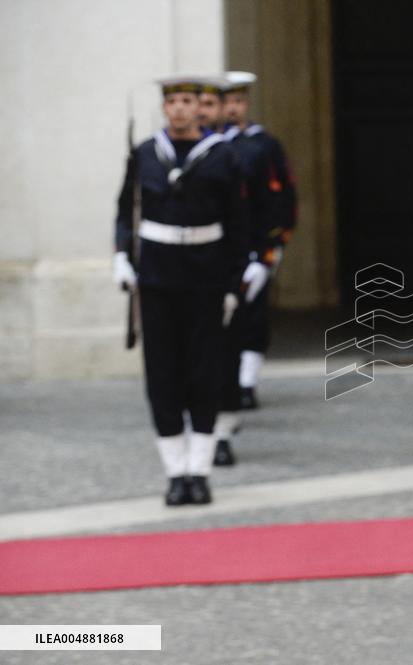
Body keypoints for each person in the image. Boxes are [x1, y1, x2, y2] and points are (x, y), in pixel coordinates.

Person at [113, 75, 250, 505]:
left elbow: (238, 225)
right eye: (172, 101)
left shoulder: (222, 156)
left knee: (204, 372)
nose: (179, 109)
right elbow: (124, 211)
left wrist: (233, 283)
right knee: (163, 374)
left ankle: (200, 468)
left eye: (188, 101)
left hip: (205, 276)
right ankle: (175, 471)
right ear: (165, 108)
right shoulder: (146, 154)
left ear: (200, 107)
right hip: (157, 276)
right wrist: (121, 256)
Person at [222, 70, 298, 411]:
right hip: (217, 248)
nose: (232, 108)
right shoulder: (209, 145)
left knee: (253, 317)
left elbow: (283, 199)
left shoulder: (264, 146)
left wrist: (270, 250)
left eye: (238, 101)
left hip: (255, 247)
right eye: (227, 102)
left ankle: (246, 383)